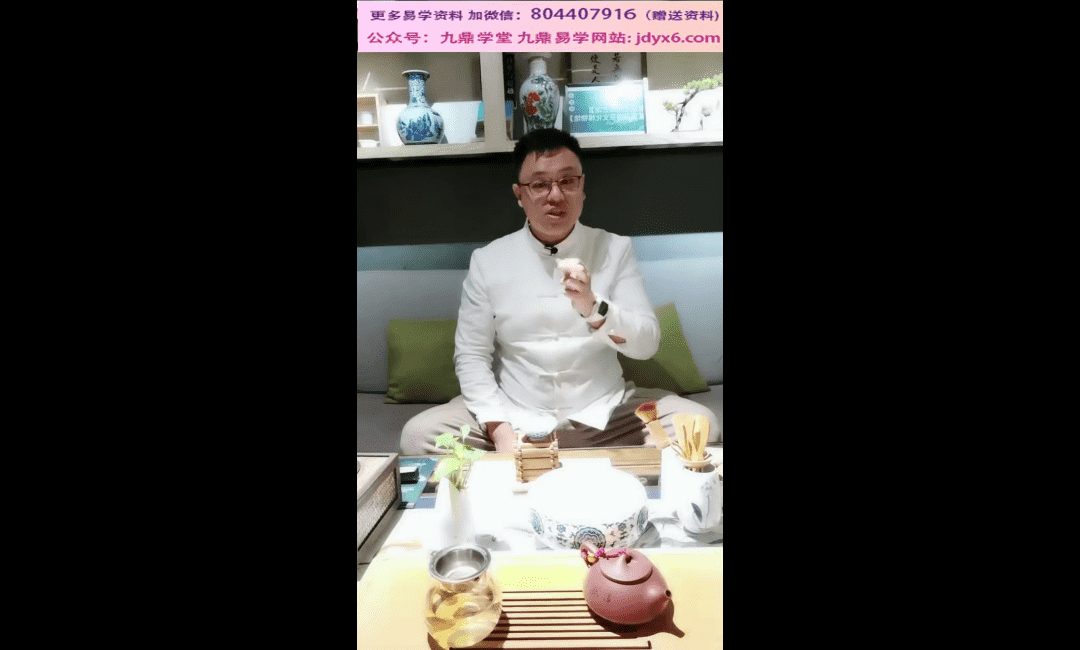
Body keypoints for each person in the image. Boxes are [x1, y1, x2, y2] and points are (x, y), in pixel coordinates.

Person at [400, 128, 718, 454]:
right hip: (516, 415)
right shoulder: (488, 260)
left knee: (700, 424)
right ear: (519, 194)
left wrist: (594, 307)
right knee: (419, 435)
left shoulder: (614, 248)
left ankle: (580, 465)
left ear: (582, 187)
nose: (555, 195)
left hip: (606, 415)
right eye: (540, 184)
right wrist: (500, 432)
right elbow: (471, 355)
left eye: (567, 181)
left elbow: (646, 344)